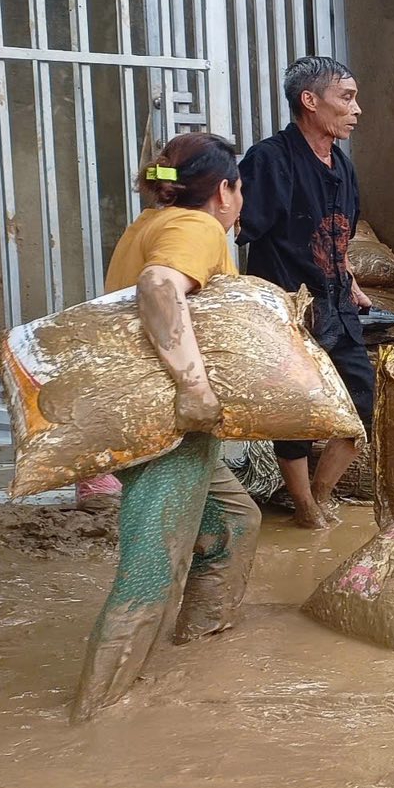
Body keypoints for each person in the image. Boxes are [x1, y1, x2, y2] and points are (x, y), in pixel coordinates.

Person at [76, 133, 262, 722]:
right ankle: (98, 713)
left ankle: (199, 648)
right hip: (169, 421)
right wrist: (194, 387)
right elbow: (159, 286)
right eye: (239, 189)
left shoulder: (151, 220)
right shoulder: (198, 226)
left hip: (151, 411)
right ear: (225, 190)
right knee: (153, 569)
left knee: (235, 519)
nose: (240, 202)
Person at [237, 56, 372, 529]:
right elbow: (239, 227)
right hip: (288, 309)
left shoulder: (344, 167)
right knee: (296, 414)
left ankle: (319, 492)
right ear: (309, 101)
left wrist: (351, 284)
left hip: (336, 304)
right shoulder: (269, 160)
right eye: (347, 98)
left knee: (361, 406)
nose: (356, 110)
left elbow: (337, 239)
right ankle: (305, 508)